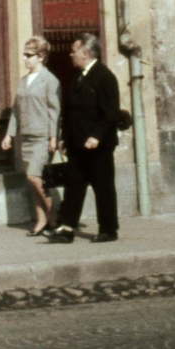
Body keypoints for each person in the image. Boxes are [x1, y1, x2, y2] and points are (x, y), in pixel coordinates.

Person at [49, 34, 121, 244]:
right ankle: (66, 228)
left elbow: (111, 114)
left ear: (85, 53)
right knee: (74, 185)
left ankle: (108, 230)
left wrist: (96, 136)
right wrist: (65, 138)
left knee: (103, 187)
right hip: (77, 144)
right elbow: (72, 112)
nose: (70, 54)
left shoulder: (104, 77)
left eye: (74, 50)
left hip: (98, 145)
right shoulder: (77, 77)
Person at [0, 36, 62, 236]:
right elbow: (16, 111)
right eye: (24, 55)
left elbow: (55, 111)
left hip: (42, 137)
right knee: (32, 179)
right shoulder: (23, 81)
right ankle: (41, 219)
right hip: (25, 137)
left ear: (41, 57)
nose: (25, 59)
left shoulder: (50, 80)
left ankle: (54, 214)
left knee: (33, 176)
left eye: (29, 55)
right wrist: (9, 134)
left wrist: (53, 137)